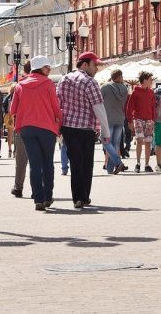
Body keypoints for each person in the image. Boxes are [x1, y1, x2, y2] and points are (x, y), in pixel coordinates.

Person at [57, 51, 116, 210]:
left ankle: (77, 198)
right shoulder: (90, 82)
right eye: (94, 65)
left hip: (68, 127)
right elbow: (99, 108)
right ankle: (84, 196)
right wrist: (105, 132)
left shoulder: (64, 79)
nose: (96, 68)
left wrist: (58, 127)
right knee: (86, 162)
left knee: (75, 161)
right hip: (86, 128)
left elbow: (58, 104)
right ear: (85, 64)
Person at [9, 56, 62, 211]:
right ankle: (47, 196)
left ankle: (38, 199)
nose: (49, 69)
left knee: (34, 164)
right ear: (39, 68)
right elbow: (55, 107)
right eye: (47, 67)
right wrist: (60, 121)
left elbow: (13, 110)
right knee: (47, 164)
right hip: (46, 129)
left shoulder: (20, 85)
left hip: (26, 129)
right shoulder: (48, 84)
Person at [125, 72, 158, 173]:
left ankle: (147, 164)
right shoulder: (135, 92)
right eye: (150, 79)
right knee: (139, 140)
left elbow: (153, 107)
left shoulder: (151, 92)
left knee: (148, 142)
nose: (151, 81)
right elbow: (129, 107)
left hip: (149, 120)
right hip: (138, 119)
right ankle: (138, 163)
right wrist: (130, 121)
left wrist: (153, 120)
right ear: (145, 80)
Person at [100, 69, 130, 174]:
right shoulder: (125, 89)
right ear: (120, 77)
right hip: (120, 118)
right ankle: (109, 169)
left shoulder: (105, 87)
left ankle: (118, 162)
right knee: (115, 143)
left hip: (108, 118)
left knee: (106, 141)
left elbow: (98, 100)